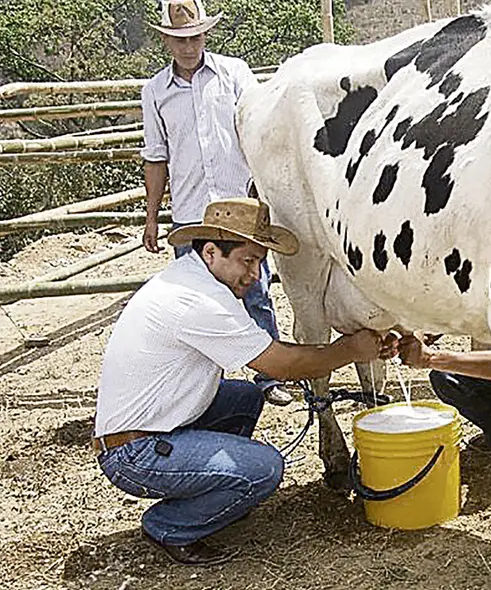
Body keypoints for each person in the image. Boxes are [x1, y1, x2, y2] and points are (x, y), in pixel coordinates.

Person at [94, 198, 395, 566]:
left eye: (259, 262)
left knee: (246, 397)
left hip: (149, 427)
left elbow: (269, 350)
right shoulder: (198, 301)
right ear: (210, 252)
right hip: (133, 454)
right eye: (247, 261)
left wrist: (346, 347)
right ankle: (170, 524)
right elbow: (281, 365)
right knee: (265, 469)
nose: (255, 274)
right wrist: (350, 348)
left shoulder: (195, 279)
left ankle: (218, 489)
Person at [139, 0, 292, 406]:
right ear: (167, 41)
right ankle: (205, 387)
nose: (188, 46)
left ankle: (268, 376)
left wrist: (265, 194)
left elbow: (260, 133)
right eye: (179, 39)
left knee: (253, 287)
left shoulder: (234, 73)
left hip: (239, 204)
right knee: (195, 301)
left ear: (205, 34)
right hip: (190, 211)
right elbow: (156, 157)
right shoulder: (155, 91)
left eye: (194, 36)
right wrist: (152, 218)